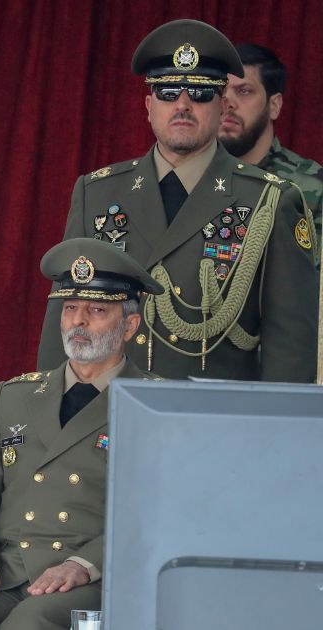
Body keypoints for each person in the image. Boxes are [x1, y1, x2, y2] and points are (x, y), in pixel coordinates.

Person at [35, 19, 317, 382]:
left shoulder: (270, 200)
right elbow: (66, 316)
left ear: (221, 106)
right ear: (149, 105)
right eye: (169, 93)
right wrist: (48, 421)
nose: (182, 105)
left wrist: (273, 434)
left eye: (199, 94)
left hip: (212, 422)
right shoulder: (97, 192)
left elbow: (290, 347)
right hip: (107, 419)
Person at [0, 238, 162, 630]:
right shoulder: (12, 397)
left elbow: (157, 511)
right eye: (71, 308)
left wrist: (85, 564)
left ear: (129, 325)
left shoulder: (156, 406)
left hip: (97, 577)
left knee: (31, 623)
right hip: (6, 572)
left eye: (97, 310)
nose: (79, 322)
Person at [219, 43, 322, 267]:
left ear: (274, 105)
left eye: (244, 91)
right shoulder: (189, 176)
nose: (228, 103)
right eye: (221, 91)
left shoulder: (310, 186)